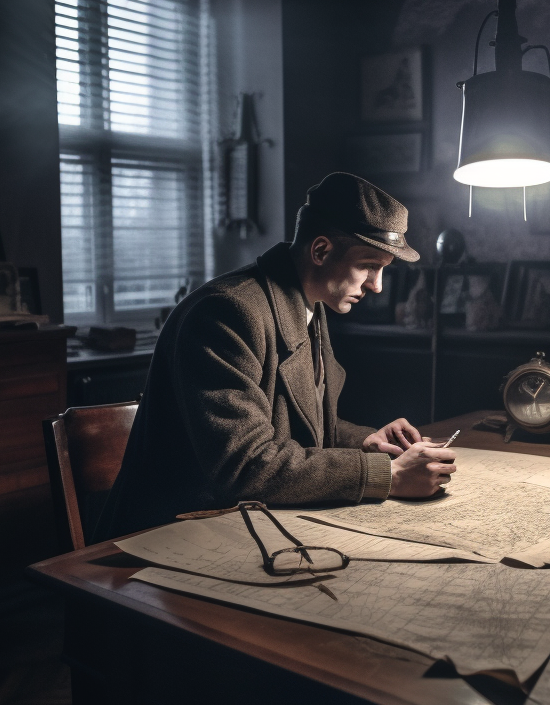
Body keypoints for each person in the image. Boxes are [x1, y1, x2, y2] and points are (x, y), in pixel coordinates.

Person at [93, 171, 458, 544]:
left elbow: (298, 426)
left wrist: (367, 443)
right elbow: (247, 464)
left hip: (245, 524)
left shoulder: (308, 302)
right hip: (168, 536)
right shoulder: (227, 312)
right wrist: (389, 475)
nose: (376, 285)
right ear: (321, 251)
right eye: (369, 265)